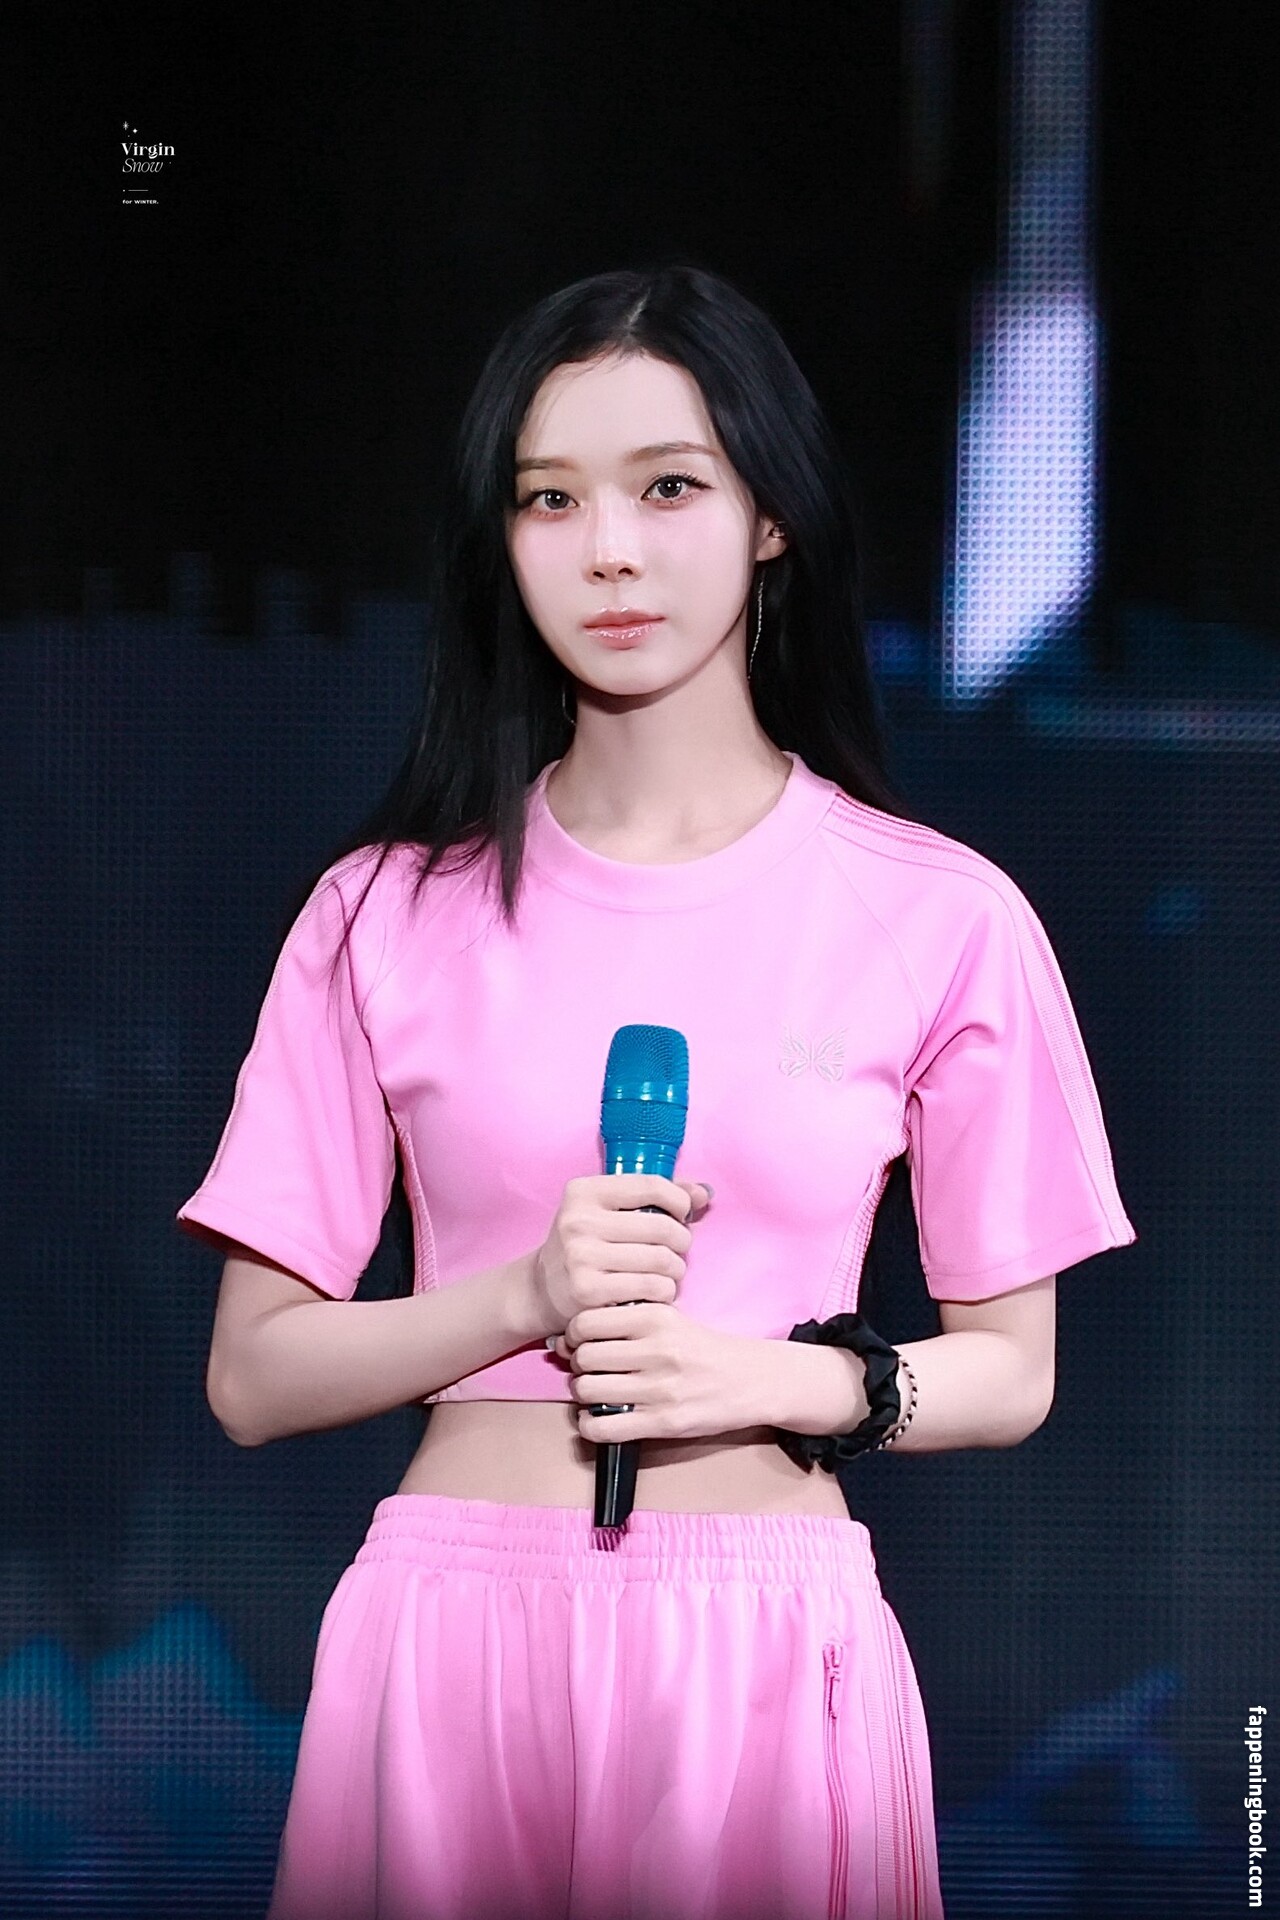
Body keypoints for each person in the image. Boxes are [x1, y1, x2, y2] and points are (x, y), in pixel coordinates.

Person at [177, 262, 1136, 1920]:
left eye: (668, 487)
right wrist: (524, 1298)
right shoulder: (381, 915)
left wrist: (776, 1379)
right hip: (447, 1646)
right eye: (551, 499)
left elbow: (1013, 1369)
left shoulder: (939, 917)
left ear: (771, 517)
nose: (609, 549)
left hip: (762, 1641)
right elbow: (254, 1376)